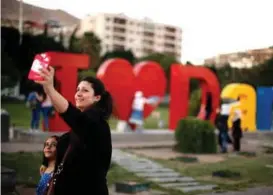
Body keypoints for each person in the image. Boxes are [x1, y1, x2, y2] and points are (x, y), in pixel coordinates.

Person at [35, 66, 113, 195]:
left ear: (97, 97)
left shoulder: (97, 124)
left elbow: (73, 115)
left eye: (85, 90)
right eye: (77, 90)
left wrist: (50, 89)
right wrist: (47, 163)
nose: (78, 94)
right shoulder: (82, 126)